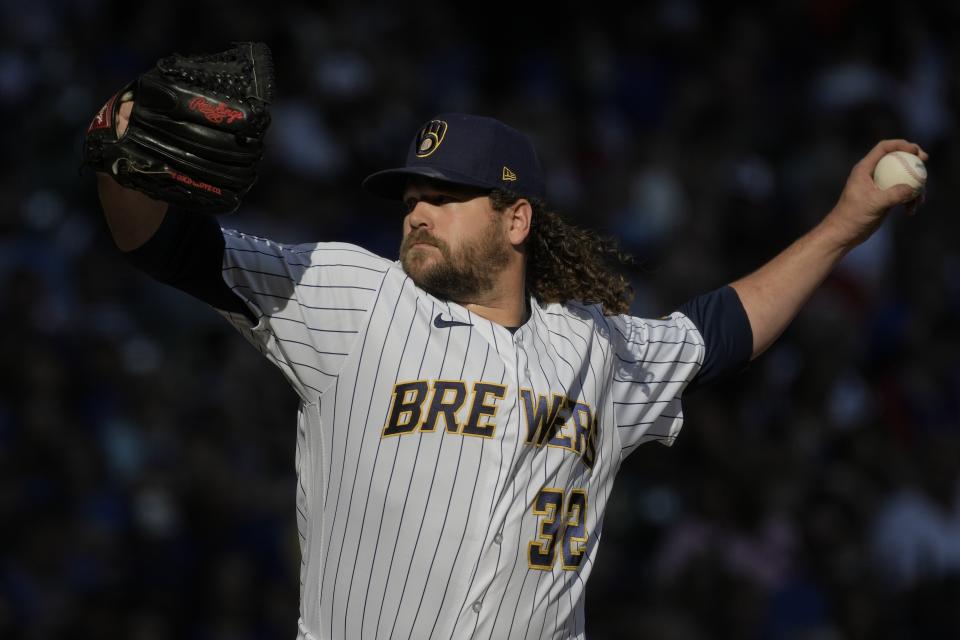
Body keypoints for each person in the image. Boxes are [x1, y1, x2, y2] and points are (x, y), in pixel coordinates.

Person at [96, 98, 927, 639]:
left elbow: (720, 333)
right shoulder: (356, 296)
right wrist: (120, 160)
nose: (417, 208)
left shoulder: (590, 348)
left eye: (446, 194)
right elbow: (167, 246)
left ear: (516, 218)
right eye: (412, 194)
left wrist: (846, 225)